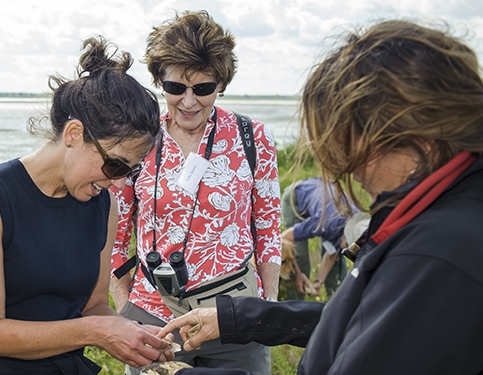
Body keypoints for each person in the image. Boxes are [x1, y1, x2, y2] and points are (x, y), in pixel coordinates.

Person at [158, 19, 483, 374]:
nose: (351, 170)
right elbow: (354, 316)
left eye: (352, 147)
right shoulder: (440, 215)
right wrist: (240, 316)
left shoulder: (436, 252)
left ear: (420, 139)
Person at [0, 36, 174, 375]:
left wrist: (137, 335)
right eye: (116, 165)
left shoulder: (103, 203)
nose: (120, 182)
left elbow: (93, 305)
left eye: (132, 169)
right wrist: (96, 333)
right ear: (73, 134)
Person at [108, 10, 281, 375]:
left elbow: (268, 229)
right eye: (175, 88)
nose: (188, 101)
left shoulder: (252, 138)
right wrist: (124, 308)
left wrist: (268, 307)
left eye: (203, 88)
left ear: (221, 84)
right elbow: (116, 233)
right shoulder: (139, 139)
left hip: (234, 315)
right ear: (160, 82)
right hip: (153, 316)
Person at [280, 177, 359, 298]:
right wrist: (299, 273)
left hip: (322, 195)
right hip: (296, 197)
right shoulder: (324, 223)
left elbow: (332, 254)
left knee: (337, 260)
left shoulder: (358, 224)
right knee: (300, 256)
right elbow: (284, 239)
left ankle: (336, 300)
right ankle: (293, 304)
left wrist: (318, 282)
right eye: (348, 247)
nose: (347, 250)